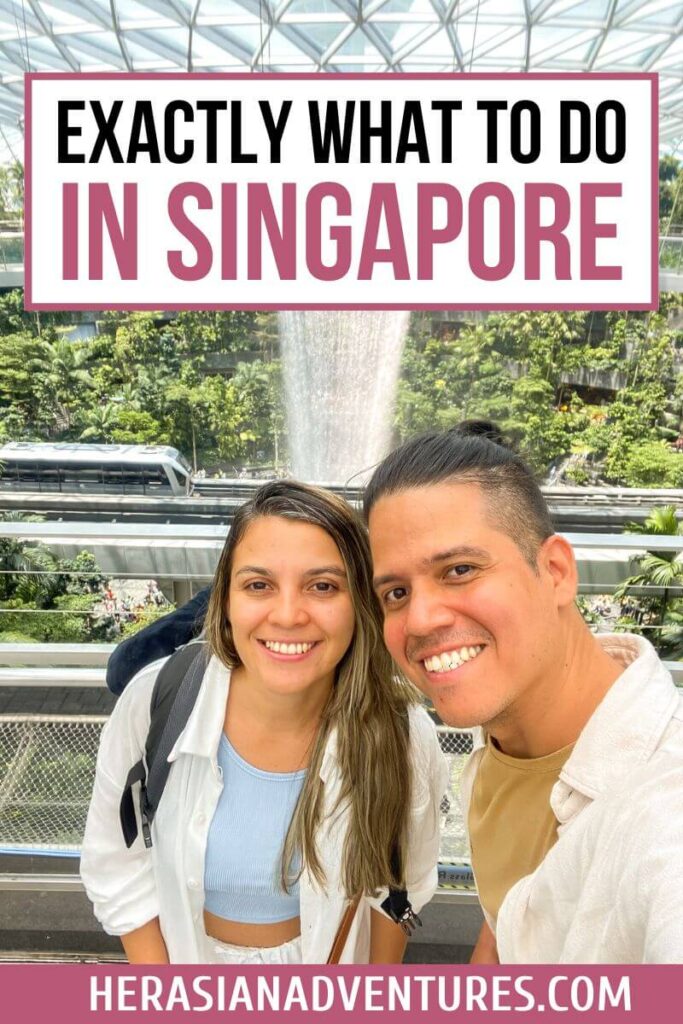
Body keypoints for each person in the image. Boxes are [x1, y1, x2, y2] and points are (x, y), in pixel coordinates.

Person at [81, 480, 447, 965]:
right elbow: (116, 863)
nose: (289, 615)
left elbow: (402, 889)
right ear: (225, 601)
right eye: (258, 585)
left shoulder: (403, 734)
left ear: (359, 603)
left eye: (322, 586)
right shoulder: (156, 701)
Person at [363, 421, 683, 965]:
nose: (418, 619)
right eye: (396, 592)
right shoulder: (497, 759)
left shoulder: (661, 812)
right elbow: (512, 914)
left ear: (555, 571)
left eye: (460, 569)